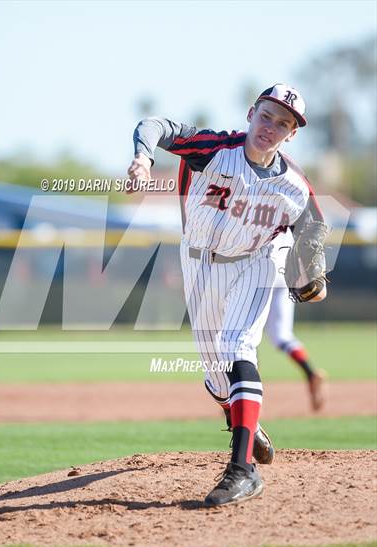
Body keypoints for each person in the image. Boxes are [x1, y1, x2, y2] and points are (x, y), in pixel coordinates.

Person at [128, 83, 327, 507]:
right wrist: (143, 159)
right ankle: (245, 424)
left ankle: (242, 470)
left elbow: (312, 225)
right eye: (267, 116)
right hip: (199, 261)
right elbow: (154, 125)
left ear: (291, 134)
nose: (271, 127)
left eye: (284, 124)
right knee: (218, 377)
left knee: (239, 348)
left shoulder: (293, 183)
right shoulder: (215, 149)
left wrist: (312, 272)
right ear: (251, 112)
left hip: (258, 260)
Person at [265, 231, 327, 411]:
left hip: (260, 271)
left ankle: (243, 389)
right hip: (285, 273)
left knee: (245, 335)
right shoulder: (291, 208)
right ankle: (310, 373)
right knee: (282, 335)